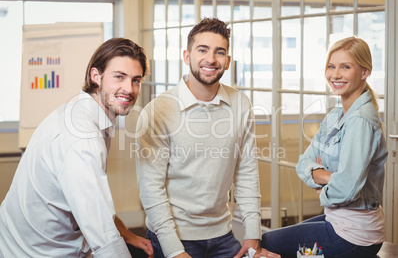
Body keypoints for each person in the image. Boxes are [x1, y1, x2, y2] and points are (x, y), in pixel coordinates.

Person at [0, 38, 154, 258]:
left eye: (136, 80)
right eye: (119, 77)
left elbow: (95, 201)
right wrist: (120, 241)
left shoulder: (83, 113)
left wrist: (126, 235)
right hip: (34, 252)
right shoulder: (82, 137)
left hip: (25, 239)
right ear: (96, 76)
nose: (129, 89)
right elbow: (104, 238)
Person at [135, 18, 263, 258]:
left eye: (220, 52)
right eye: (202, 50)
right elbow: (151, 187)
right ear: (186, 56)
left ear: (228, 61)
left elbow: (246, 171)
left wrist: (253, 232)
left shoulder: (240, 104)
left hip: (223, 235)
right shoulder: (158, 110)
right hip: (172, 237)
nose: (211, 59)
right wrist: (174, 251)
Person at [261, 36, 388, 258]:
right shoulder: (335, 116)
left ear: (365, 72)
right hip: (338, 221)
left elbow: (347, 189)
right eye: (331, 66)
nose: (335, 75)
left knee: (267, 244)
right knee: (274, 241)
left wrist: (322, 185)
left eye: (345, 67)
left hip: (354, 236)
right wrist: (331, 177)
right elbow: (303, 163)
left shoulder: (361, 121)